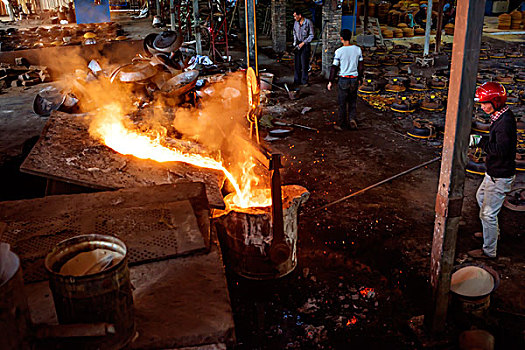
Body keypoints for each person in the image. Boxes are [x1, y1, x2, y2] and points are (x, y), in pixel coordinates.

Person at [468, 82, 517, 259]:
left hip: (500, 176)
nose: (482, 107)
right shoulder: (500, 116)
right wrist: (483, 139)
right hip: (494, 173)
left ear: (496, 101)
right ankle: (491, 233)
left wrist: (480, 141)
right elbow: (497, 141)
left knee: (488, 214)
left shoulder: (504, 123)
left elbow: (501, 150)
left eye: (485, 103)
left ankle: (489, 252)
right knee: (481, 198)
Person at [327, 29, 363, 131]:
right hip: (354, 79)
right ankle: (352, 119)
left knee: (342, 103)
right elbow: (360, 66)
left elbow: (334, 67)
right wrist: (360, 78)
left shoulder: (339, 51)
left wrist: (330, 81)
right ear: (350, 37)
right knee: (352, 102)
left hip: (343, 80)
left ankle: (342, 124)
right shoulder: (357, 49)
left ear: (341, 38)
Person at [292, 9, 314, 86]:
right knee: (297, 64)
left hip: (305, 45)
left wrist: (303, 43)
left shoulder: (308, 23)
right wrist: (295, 43)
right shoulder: (296, 23)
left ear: (300, 15)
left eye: (295, 16)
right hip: (298, 45)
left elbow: (311, 35)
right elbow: (294, 32)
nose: (294, 18)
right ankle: (297, 81)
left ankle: (304, 81)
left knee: (304, 64)